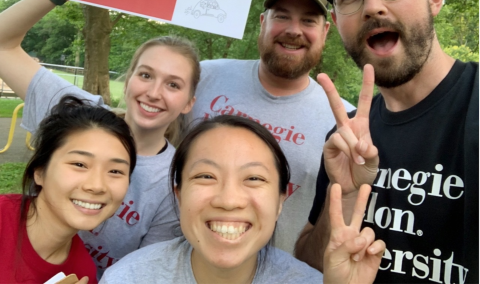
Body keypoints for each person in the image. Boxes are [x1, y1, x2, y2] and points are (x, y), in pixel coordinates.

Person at [0, 0, 200, 276]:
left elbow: (147, 270)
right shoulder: (76, 112)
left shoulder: (174, 183)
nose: (154, 93)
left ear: (188, 102)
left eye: (173, 84)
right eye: (146, 75)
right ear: (129, 78)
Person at [295, 0, 479, 283]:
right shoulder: (345, 136)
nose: (372, 6)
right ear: (336, 20)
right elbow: (308, 264)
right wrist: (345, 197)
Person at [99, 115, 385, 284]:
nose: (229, 200)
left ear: (281, 201)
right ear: (179, 194)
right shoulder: (128, 278)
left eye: (254, 179)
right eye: (206, 176)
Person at [191, 0, 355, 254]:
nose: (294, 30)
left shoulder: (345, 124)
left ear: (325, 31)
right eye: (281, 16)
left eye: (308, 20)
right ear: (262, 22)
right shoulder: (204, 77)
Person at [0, 95, 136, 284]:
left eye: (115, 171)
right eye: (79, 164)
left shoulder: (82, 274)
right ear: (39, 171)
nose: (97, 186)